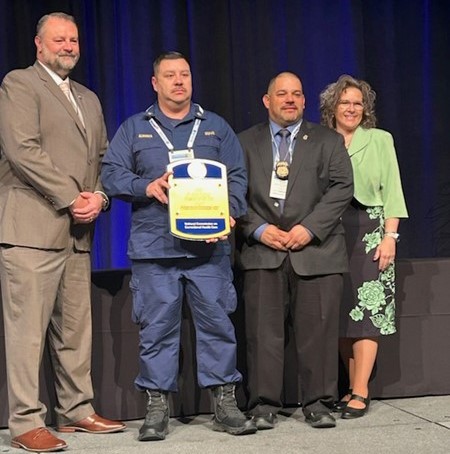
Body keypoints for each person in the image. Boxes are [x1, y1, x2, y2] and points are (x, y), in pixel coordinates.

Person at [101, 51, 257, 441]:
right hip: (155, 250)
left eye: (184, 74)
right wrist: (146, 186)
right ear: (155, 82)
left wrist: (229, 215)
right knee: (156, 331)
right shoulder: (134, 128)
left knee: (219, 326)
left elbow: (237, 178)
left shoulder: (215, 128)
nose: (178, 81)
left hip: (209, 251)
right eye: (169, 75)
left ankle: (225, 403)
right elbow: (111, 173)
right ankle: (157, 407)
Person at [0, 12, 126, 453]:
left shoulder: (88, 98)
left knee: (75, 329)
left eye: (73, 39)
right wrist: (73, 197)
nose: (68, 46)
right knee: (27, 333)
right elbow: (22, 150)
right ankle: (24, 422)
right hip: (32, 227)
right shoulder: (19, 84)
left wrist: (100, 197)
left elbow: (105, 158)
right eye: (59, 40)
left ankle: (76, 409)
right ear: (39, 45)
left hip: (77, 233)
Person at [237, 72, 353, 429]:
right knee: (262, 333)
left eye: (297, 94)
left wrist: (308, 229)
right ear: (266, 100)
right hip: (263, 251)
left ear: (304, 102)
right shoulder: (242, 142)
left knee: (318, 333)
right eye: (282, 94)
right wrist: (258, 229)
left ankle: (318, 402)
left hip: (317, 252)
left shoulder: (327, 140)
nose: (290, 100)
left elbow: (342, 188)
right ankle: (263, 405)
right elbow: (231, 194)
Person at [319, 74, 408, 418]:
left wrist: (391, 236)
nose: (352, 108)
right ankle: (351, 386)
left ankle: (361, 390)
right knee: (344, 312)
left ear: (365, 108)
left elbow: (394, 190)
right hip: (331, 230)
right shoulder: (321, 140)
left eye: (358, 103)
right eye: (345, 102)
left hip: (371, 229)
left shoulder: (380, 139)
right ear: (333, 107)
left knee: (369, 313)